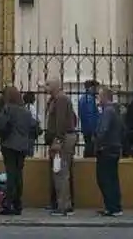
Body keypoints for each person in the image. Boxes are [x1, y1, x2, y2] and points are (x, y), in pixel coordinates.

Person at [0, 86, 36, 215]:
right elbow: (35, 127)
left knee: (11, 174)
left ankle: (8, 204)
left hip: (9, 145)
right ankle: (18, 203)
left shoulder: (8, 109)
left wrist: (3, 133)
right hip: (22, 146)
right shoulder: (26, 112)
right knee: (18, 174)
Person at [45, 78, 77, 216]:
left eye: (48, 84)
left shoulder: (61, 99)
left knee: (61, 173)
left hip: (62, 140)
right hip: (62, 138)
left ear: (56, 86)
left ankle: (63, 206)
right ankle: (60, 203)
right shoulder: (55, 99)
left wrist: (58, 140)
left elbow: (61, 121)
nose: (45, 87)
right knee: (58, 171)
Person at [94, 86, 124, 217]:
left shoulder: (108, 111)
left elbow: (103, 130)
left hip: (106, 149)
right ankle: (114, 206)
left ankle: (112, 207)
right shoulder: (115, 110)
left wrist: (97, 141)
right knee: (112, 179)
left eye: (99, 96)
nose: (98, 98)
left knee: (104, 179)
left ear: (105, 97)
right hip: (114, 148)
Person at [78, 80, 100, 158]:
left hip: (85, 128)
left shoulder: (82, 98)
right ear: (92, 88)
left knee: (88, 147)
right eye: (97, 88)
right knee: (91, 150)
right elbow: (91, 116)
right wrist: (94, 131)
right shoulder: (90, 99)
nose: (97, 90)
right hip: (91, 130)